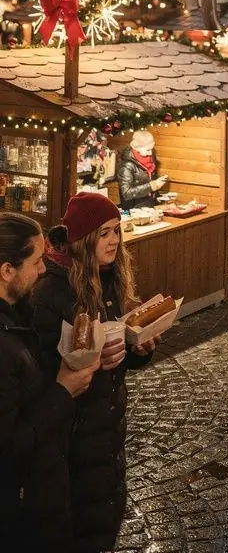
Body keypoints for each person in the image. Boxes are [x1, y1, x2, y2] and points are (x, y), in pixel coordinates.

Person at [31, 193, 158, 553]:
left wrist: (137, 350)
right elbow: (42, 374)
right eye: (104, 233)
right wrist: (90, 361)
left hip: (106, 435)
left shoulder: (110, 279)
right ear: (84, 239)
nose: (115, 240)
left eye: (117, 231)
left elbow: (115, 359)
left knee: (104, 519)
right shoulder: (52, 292)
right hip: (74, 440)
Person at [1, 212, 99, 553]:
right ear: (7, 271)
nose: (43, 269)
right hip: (22, 516)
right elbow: (8, 445)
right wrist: (63, 390)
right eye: (36, 261)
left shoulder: (19, 316)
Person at [117, 129, 168, 208]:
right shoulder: (126, 166)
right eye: (148, 149)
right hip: (134, 210)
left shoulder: (150, 161)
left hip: (149, 207)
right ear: (137, 148)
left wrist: (158, 183)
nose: (150, 153)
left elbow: (145, 182)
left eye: (151, 149)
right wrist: (152, 186)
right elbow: (126, 193)